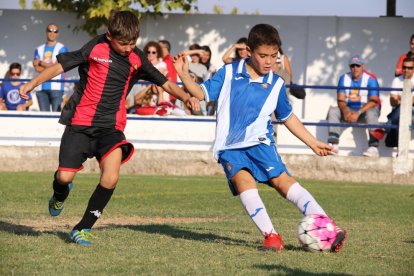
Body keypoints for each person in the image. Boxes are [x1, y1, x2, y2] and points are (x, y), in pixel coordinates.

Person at [19, 10, 199, 246]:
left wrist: (186, 97)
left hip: (111, 126)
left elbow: (164, 82)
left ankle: (81, 229)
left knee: (111, 177)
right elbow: (60, 66)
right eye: (123, 43)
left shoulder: (137, 58)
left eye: (132, 42)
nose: (128, 48)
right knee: (63, 177)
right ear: (109, 35)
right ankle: (60, 193)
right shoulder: (94, 47)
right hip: (80, 123)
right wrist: (32, 83)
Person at [174, 23, 346, 253]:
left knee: (282, 183)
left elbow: (288, 117)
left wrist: (312, 142)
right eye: (263, 56)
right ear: (249, 51)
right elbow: (201, 94)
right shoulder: (228, 72)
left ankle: (328, 227)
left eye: (273, 56)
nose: (268, 61)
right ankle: (271, 237)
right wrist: (184, 75)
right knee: (243, 182)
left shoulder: (276, 83)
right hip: (229, 146)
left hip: (261, 143)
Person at [326, 55, 382, 157]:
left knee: (372, 111)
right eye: (352, 66)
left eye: (358, 65)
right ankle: (333, 145)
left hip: (364, 111)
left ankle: (373, 147)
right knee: (333, 110)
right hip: (349, 110)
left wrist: (358, 112)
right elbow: (340, 99)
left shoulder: (370, 79)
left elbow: (374, 101)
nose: (355, 68)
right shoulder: (344, 78)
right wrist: (346, 111)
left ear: (363, 67)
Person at [33, 23, 68, 112]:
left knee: (56, 117)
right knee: (44, 118)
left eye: (55, 31)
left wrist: (41, 62)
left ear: (58, 33)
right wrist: (53, 67)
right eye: (50, 30)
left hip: (57, 87)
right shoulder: (39, 49)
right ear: (46, 32)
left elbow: (59, 67)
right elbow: (37, 69)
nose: (52, 33)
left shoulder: (62, 48)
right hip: (41, 88)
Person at [385, 56, 414, 147]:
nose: (406, 70)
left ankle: (388, 124)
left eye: (410, 68)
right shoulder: (397, 80)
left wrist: (399, 98)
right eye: (404, 67)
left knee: (405, 110)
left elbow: (411, 102)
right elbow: (392, 101)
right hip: (400, 112)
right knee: (402, 114)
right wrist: (404, 100)